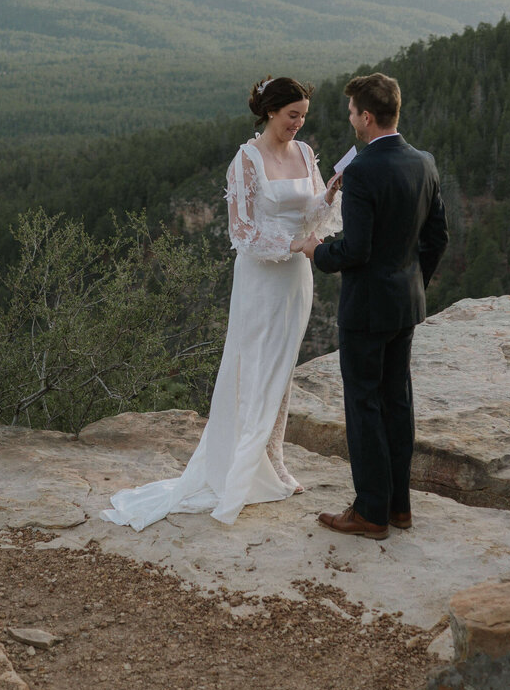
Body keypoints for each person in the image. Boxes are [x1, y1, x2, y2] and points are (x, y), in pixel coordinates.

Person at [102, 75, 343, 530]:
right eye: (293, 115)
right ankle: (245, 464)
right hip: (261, 280)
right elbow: (243, 232)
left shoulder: (306, 153)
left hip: (297, 279)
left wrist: (328, 194)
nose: (298, 124)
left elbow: (311, 213)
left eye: (304, 117)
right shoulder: (246, 160)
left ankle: (275, 458)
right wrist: (294, 244)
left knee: (283, 368)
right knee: (252, 366)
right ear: (270, 111)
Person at [293, 72, 447, 540]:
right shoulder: (424, 163)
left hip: (366, 310)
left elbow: (354, 251)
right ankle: (399, 507)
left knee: (363, 405)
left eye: (352, 112)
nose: (349, 119)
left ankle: (370, 512)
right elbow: (437, 239)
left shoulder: (362, 171)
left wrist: (316, 250)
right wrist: (411, 282)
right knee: (397, 402)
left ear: (367, 116)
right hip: (405, 304)